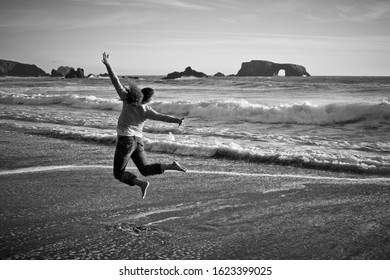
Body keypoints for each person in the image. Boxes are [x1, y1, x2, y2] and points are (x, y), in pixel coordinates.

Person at [102, 52, 187, 199]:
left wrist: (108, 65)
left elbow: (115, 81)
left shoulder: (127, 98)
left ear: (139, 93)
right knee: (145, 169)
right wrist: (177, 120)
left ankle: (141, 184)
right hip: (138, 141)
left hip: (125, 141)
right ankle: (170, 166)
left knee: (118, 173)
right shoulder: (147, 110)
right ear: (148, 100)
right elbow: (163, 118)